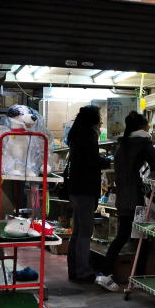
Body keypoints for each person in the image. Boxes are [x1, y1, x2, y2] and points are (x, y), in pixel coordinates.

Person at [95, 111, 155, 292]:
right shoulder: (144, 142)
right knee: (143, 238)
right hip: (137, 198)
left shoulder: (122, 144)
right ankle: (139, 278)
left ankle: (104, 273)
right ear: (143, 127)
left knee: (122, 236)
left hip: (123, 197)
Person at [66, 105, 110, 283]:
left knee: (77, 232)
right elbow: (92, 161)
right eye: (99, 117)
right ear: (93, 119)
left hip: (76, 189)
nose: (100, 121)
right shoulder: (88, 135)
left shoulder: (77, 134)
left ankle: (74, 270)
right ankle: (83, 271)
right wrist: (107, 161)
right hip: (85, 189)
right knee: (85, 232)